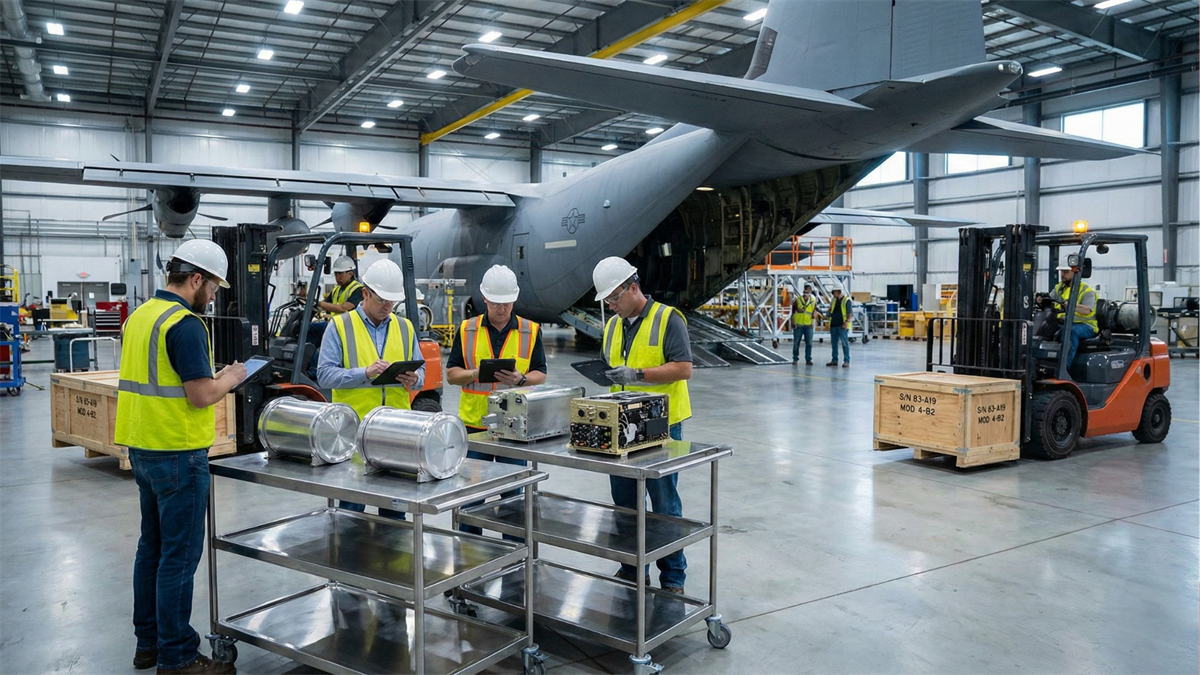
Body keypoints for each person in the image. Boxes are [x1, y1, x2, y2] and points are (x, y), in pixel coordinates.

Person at [115, 239, 245, 675]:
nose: (213, 296)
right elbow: (200, 393)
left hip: (143, 448)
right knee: (179, 558)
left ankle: (147, 644)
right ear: (195, 279)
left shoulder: (139, 317)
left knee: (150, 549)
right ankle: (179, 656)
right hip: (178, 454)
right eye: (212, 287)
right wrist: (230, 377)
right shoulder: (186, 325)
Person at [592, 256, 692, 594]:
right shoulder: (612, 326)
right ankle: (633, 568)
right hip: (620, 426)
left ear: (633, 288)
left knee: (664, 505)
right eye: (607, 300)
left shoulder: (668, 319)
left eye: (615, 298)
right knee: (625, 503)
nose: (611, 304)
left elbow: (683, 368)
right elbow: (611, 369)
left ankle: (673, 577)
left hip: (661, 427)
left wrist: (638, 376)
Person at [317, 259, 423, 519]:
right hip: (355, 431)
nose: (388, 306)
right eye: (382, 300)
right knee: (351, 513)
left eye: (392, 301)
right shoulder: (339, 326)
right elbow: (325, 375)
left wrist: (415, 379)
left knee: (396, 513)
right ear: (365, 293)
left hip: (396, 432)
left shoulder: (405, 327)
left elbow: (421, 374)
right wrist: (364, 373)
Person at [445, 265, 546, 538]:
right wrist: (475, 373)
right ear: (485, 299)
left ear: (514, 299)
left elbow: (541, 373)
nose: (502, 309)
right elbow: (452, 374)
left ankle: (514, 554)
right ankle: (468, 552)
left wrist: (522, 379)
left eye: (507, 303)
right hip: (475, 429)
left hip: (513, 430)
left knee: (513, 499)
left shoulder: (530, 330)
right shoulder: (467, 330)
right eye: (496, 303)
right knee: (470, 498)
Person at [1050, 257, 1098, 367]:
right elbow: (1050, 299)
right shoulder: (1059, 288)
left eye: (1066, 272)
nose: (1062, 275)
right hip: (1065, 323)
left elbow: (1086, 310)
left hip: (1086, 326)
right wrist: (1041, 299)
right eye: (1062, 271)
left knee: (1070, 332)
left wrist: (1071, 305)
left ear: (1075, 272)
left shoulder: (1087, 291)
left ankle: (1063, 368)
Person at [792, 284, 820, 365]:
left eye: (808, 290)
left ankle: (808, 359)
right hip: (799, 325)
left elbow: (814, 311)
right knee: (796, 343)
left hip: (808, 325)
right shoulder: (797, 300)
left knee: (809, 343)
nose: (806, 292)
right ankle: (795, 359)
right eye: (805, 290)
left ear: (811, 291)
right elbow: (793, 311)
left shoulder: (813, 300)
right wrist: (793, 322)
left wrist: (813, 321)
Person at [826, 287, 852, 368]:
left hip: (842, 325)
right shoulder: (834, 300)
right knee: (834, 344)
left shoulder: (847, 300)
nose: (833, 294)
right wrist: (828, 314)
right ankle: (834, 360)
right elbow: (830, 309)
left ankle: (846, 361)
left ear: (838, 291)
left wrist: (846, 322)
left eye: (833, 292)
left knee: (845, 343)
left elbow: (850, 313)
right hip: (834, 325)